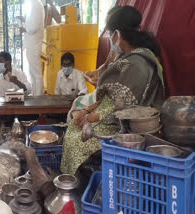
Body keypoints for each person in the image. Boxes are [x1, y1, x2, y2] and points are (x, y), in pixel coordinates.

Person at [60, 6, 164, 175]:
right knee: (73, 126)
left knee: (75, 140)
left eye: (110, 33)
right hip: (108, 111)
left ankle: (79, 182)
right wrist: (85, 110)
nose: (109, 38)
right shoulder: (126, 57)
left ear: (117, 34)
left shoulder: (137, 64)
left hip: (124, 125)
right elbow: (109, 96)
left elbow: (124, 109)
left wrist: (90, 117)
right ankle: (76, 179)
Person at [23, 0, 45, 96]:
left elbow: (33, 27)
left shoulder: (35, 4)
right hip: (32, 42)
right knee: (32, 71)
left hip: (34, 42)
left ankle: (38, 95)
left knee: (36, 72)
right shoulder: (34, 4)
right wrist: (24, 20)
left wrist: (24, 27)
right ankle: (35, 93)